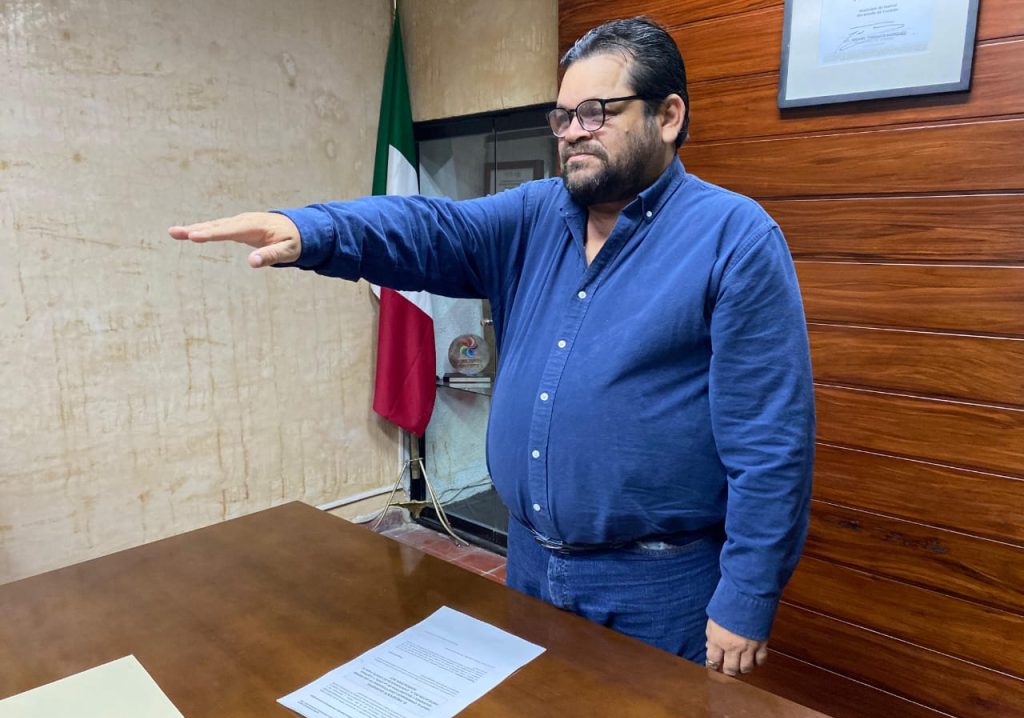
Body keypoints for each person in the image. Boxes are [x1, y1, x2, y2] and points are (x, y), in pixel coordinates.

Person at [169, 17, 814, 677]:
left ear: (668, 116)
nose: (573, 133)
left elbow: (771, 444)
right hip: (531, 564)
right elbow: (430, 227)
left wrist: (746, 597)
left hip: (657, 587)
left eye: (596, 113)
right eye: (563, 117)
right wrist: (312, 230)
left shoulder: (735, 239)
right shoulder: (536, 215)